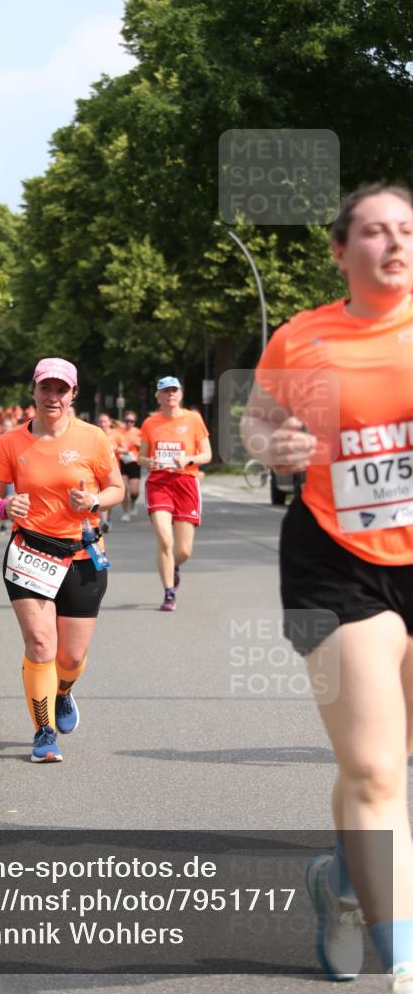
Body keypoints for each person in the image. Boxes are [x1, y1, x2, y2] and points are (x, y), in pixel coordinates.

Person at [241, 184, 413, 993]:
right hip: (328, 562)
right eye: (373, 232)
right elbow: (255, 421)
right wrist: (272, 445)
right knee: (377, 771)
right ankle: (405, 964)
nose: (393, 243)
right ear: (341, 252)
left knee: (385, 758)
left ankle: (340, 886)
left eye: (406, 230)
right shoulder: (303, 336)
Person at [0, 357, 124, 762]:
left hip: (82, 556)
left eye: (62, 390)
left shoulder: (94, 438)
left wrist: (95, 499)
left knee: (71, 657)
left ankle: (62, 692)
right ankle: (43, 733)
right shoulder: (10, 442)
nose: (53, 397)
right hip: (30, 553)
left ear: (73, 394)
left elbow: (117, 489)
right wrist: (5, 506)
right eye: (46, 388)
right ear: (34, 391)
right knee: (41, 644)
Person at [139, 376, 212, 611]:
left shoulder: (193, 419)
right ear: (158, 396)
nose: (170, 395)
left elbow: (207, 454)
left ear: (180, 394)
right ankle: (169, 593)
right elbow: (141, 456)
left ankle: (174, 566)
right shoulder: (150, 423)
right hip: (159, 484)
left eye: (174, 391)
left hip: (185, 483)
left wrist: (188, 459)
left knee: (183, 550)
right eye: (165, 391)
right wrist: (148, 461)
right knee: (164, 540)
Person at [115, 410, 142, 521]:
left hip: (134, 462)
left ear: (134, 422)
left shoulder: (138, 432)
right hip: (122, 462)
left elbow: (144, 446)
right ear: (124, 421)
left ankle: (133, 502)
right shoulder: (118, 432)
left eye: (132, 421)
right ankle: (126, 512)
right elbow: (113, 444)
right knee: (124, 488)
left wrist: (138, 444)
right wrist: (120, 449)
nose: (129, 423)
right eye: (127, 421)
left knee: (134, 491)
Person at [97, 413, 120, 532]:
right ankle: (104, 522)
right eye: (100, 422)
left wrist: (116, 448)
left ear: (109, 422)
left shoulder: (115, 434)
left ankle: (106, 518)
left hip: (114, 470)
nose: (103, 424)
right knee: (101, 493)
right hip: (99, 469)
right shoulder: (95, 434)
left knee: (110, 496)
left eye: (105, 421)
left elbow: (125, 448)